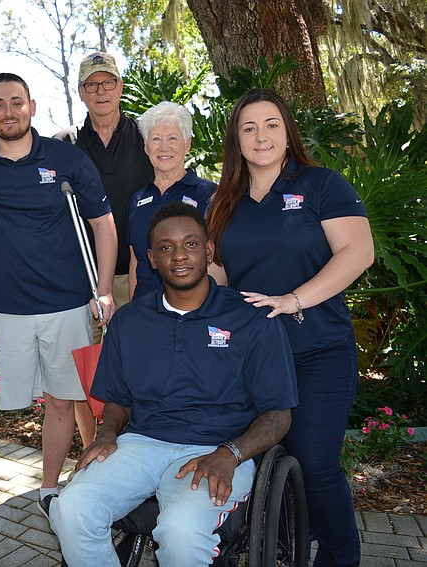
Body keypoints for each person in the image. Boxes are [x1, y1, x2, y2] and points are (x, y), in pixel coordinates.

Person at [50, 202, 298, 566]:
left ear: (209, 251)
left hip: (218, 447)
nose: (179, 255)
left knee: (181, 532)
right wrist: (106, 434)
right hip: (143, 443)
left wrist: (230, 453)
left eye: (191, 244)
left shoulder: (252, 319)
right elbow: (118, 398)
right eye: (166, 247)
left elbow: (278, 415)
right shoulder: (130, 321)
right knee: (70, 508)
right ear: (152, 258)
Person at [206, 88, 374, 566]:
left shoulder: (322, 185)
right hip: (251, 357)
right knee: (252, 462)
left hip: (319, 348)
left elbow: (358, 252)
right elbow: (216, 274)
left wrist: (293, 299)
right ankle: (277, 549)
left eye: (272, 125)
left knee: (316, 464)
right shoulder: (223, 203)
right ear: (236, 141)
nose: (262, 136)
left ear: (287, 132)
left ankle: (341, 555)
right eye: (249, 128)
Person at [0, 72, 117, 516]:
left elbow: (102, 223)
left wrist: (102, 290)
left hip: (67, 301)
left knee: (65, 397)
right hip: (8, 307)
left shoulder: (66, 159)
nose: (8, 111)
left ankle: (49, 488)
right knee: (35, 398)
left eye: (16, 102)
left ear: (32, 107)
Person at [55, 51, 154, 447]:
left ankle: (136, 444)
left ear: (120, 88)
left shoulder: (146, 137)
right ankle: (92, 447)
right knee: (87, 370)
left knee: (138, 366)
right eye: (91, 84)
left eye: (108, 82)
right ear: (81, 92)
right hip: (81, 278)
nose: (101, 91)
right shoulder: (65, 145)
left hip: (139, 274)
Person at [128, 101, 216, 299]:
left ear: (187, 144)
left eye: (173, 138)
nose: (164, 147)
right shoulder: (137, 200)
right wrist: (133, 310)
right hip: (146, 311)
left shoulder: (209, 194)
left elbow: (218, 262)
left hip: (193, 311)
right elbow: (136, 261)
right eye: (156, 139)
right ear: (146, 146)